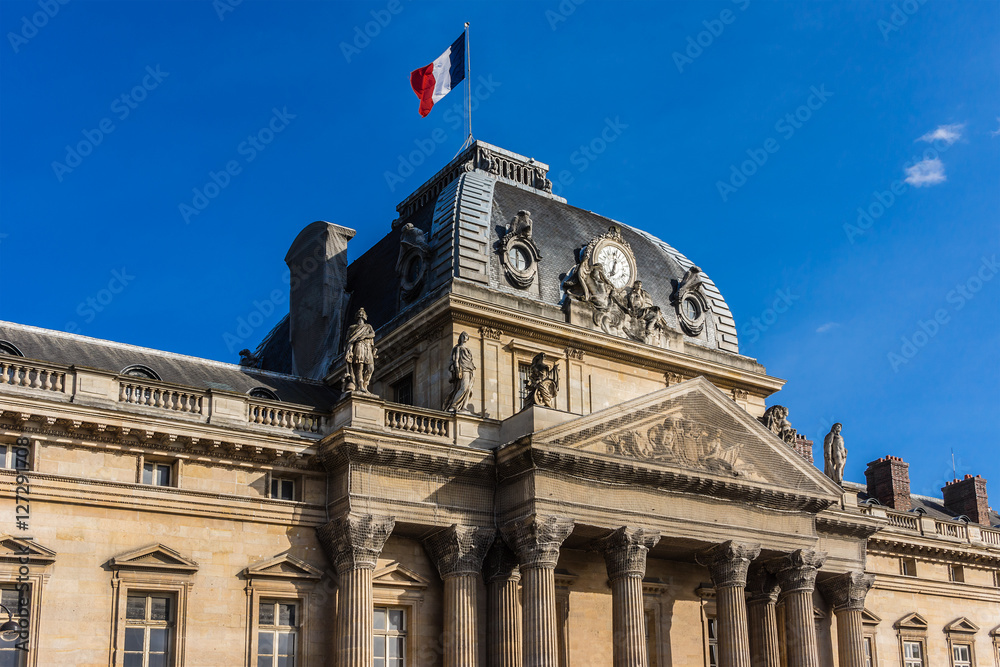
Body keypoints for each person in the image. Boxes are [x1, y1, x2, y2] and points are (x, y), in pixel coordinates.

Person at [344, 308, 376, 393]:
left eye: (363, 314)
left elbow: (373, 333)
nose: (361, 315)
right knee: (360, 366)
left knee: (370, 368)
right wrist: (349, 350)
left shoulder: (368, 326)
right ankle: (361, 386)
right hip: (359, 346)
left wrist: (364, 336)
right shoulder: (352, 327)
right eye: (360, 314)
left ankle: (366, 384)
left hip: (367, 347)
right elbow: (348, 340)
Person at [443, 332, 476, 412]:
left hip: (470, 369)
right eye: (463, 336)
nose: (465, 337)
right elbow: (456, 360)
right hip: (463, 368)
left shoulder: (468, 349)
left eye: (466, 336)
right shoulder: (458, 348)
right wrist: (457, 369)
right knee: (464, 387)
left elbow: (470, 360)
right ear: (460, 337)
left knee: (469, 388)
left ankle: (464, 406)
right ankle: (454, 405)